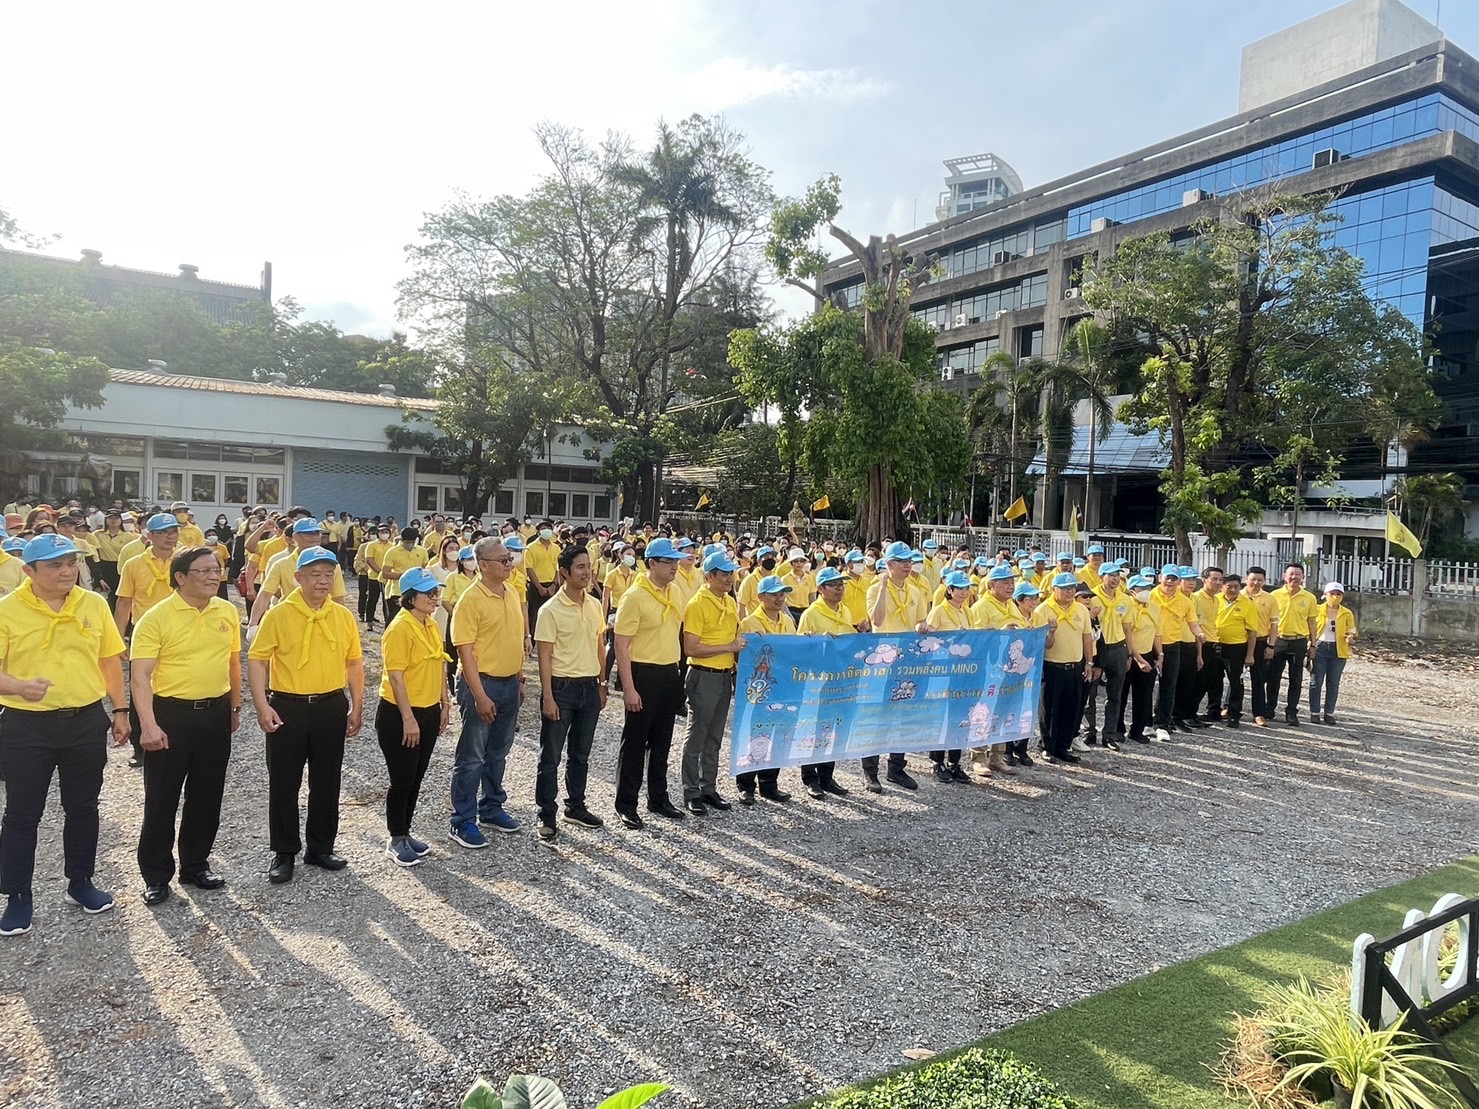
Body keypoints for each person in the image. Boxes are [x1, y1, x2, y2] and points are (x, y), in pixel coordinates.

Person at [0, 535, 129, 936]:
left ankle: (81, 882)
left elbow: (109, 660)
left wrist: (120, 710)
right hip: (26, 726)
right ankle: (17, 895)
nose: (67, 571)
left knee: (83, 806)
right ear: (29, 571)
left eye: (71, 563)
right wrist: (19, 686)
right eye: (55, 565)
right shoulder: (7, 610)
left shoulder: (92, 604)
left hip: (85, 721)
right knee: (22, 814)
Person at [130, 546, 241, 906]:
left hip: (215, 713)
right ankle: (156, 874)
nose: (213, 576)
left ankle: (195, 864)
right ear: (180, 577)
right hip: (171, 714)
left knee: (207, 794)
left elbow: (233, 662)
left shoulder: (226, 611)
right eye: (203, 571)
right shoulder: (156, 618)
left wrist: (234, 707)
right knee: (162, 798)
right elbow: (140, 677)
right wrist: (147, 724)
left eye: (216, 570)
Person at [247, 547, 364, 884]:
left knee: (327, 780)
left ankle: (321, 847)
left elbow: (354, 663)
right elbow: (257, 660)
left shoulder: (342, 616)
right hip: (288, 706)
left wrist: (357, 704)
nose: (323, 581)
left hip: (330, 705)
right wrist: (262, 705)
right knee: (284, 782)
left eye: (328, 574)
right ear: (298, 577)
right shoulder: (278, 614)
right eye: (315, 574)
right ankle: (284, 851)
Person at [447, 536, 527, 846]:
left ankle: (492, 808)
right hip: (481, 683)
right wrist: (480, 696)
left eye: (510, 558)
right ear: (482, 565)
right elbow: (465, 652)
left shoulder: (511, 592)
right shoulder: (470, 600)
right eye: (503, 560)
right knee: (472, 756)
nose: (510, 564)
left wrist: (519, 678)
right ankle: (462, 820)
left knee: (498, 753)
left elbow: (513, 638)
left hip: (508, 682)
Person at [532, 545, 607, 842]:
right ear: (564, 572)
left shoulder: (594, 605)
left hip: (589, 686)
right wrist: (548, 696)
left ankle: (575, 806)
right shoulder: (549, 610)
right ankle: (546, 814)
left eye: (588, 566)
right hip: (562, 688)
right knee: (550, 756)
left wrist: (602, 684)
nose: (586, 572)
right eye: (580, 567)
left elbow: (600, 646)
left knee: (580, 754)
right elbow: (544, 656)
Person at [376, 567, 450, 867]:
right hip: (400, 713)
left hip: (428, 709)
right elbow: (396, 678)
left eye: (436, 592)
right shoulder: (400, 628)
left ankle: (405, 831)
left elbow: (440, 664)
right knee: (402, 778)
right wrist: (408, 719)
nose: (435, 597)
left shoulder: (430, 624)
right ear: (409, 597)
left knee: (417, 776)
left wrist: (445, 703)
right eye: (428, 593)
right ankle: (395, 838)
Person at [612, 536, 687, 829]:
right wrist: (629, 688)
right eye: (668, 562)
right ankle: (626, 803)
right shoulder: (635, 596)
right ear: (652, 563)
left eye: (676, 561)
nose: (674, 567)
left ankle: (658, 797)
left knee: (662, 740)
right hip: (643, 672)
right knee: (635, 741)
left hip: (669, 671)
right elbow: (621, 645)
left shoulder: (674, 591)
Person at [679, 549, 746, 815]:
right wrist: (728, 647)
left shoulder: (729, 601)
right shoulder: (697, 604)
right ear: (709, 576)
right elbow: (691, 648)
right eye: (724, 574)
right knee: (697, 735)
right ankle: (691, 791)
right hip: (703, 674)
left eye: (731, 573)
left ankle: (708, 787)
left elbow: (736, 638)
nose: (730, 578)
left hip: (723, 676)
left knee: (714, 737)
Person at [863, 541, 925, 792]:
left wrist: (923, 627)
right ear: (889, 564)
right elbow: (877, 620)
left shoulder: (915, 591)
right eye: (901, 561)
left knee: (902, 715)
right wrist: (882, 586)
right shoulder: (874, 589)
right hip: (882, 662)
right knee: (876, 715)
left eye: (909, 561)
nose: (907, 565)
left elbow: (919, 621)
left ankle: (896, 768)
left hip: (906, 660)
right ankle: (870, 771)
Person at [742, 574, 808, 802]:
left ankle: (769, 784)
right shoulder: (750, 622)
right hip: (759, 688)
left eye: (782, 594)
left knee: (779, 732)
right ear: (760, 597)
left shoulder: (788, 621)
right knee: (755, 732)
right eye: (774, 594)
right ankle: (746, 784)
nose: (779, 598)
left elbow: (793, 651)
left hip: (783, 686)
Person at [1032, 572, 1096, 764]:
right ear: (1054, 589)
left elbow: (1087, 636)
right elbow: (1039, 641)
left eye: (1072, 588)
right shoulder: (1043, 610)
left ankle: (1063, 746)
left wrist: (1089, 662)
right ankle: (1047, 747)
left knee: (1071, 708)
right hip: (1052, 666)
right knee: (1050, 709)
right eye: (1065, 588)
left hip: (1075, 665)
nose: (1069, 591)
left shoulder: (1081, 609)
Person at [1268, 562, 1320, 726]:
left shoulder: (1309, 598)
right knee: (1273, 677)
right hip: (1279, 640)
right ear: (1284, 576)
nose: (1294, 577)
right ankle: (1269, 709)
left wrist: (1313, 645)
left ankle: (1291, 713)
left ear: (1303, 577)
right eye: (1291, 574)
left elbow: (1312, 623)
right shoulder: (1274, 595)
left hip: (1299, 641)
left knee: (1296, 680)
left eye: (1298, 574)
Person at [1084, 563, 1129, 750]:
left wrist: (1129, 653)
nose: (1115, 579)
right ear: (1102, 576)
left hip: (1118, 647)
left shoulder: (1125, 598)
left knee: (1115, 694)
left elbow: (1127, 627)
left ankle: (1109, 734)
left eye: (1117, 575)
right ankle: (1089, 731)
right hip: (1097, 649)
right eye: (1110, 575)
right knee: (1090, 694)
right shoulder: (1091, 597)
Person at [1211, 575, 1258, 728]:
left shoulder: (1247, 604)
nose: (1232, 589)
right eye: (1229, 586)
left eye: (1236, 587)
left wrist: (1250, 654)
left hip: (1236, 648)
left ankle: (1234, 713)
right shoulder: (1215, 600)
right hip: (1215, 644)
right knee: (1213, 680)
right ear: (1222, 586)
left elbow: (1252, 632)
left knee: (1236, 681)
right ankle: (1213, 710)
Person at [1309, 583, 1357, 724]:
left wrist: (1350, 636)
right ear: (1325, 595)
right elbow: (1309, 626)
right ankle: (1314, 712)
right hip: (1320, 646)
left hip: (1338, 648)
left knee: (1333, 683)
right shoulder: (1317, 609)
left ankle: (1329, 713)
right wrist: (1311, 644)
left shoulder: (1346, 612)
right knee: (1316, 681)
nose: (1335, 596)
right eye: (1332, 593)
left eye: (1338, 594)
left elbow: (1351, 628)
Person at [1243, 566, 1279, 727]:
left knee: (1258, 679)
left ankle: (1259, 713)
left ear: (1264, 581)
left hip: (1260, 642)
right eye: (1253, 579)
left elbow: (1274, 625)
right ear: (1246, 579)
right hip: (1239, 641)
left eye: (1260, 580)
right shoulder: (1238, 595)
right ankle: (1230, 708)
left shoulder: (1270, 599)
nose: (1256, 583)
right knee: (1236, 677)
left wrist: (1271, 646)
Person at [525, 520, 562, 629]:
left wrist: (554, 584)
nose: (546, 531)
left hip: (552, 585)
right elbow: (529, 569)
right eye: (543, 529)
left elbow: (558, 568)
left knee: (552, 614)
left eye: (549, 529)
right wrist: (539, 587)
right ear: (538, 532)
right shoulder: (530, 548)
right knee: (534, 615)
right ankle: (532, 638)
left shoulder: (556, 548)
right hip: (536, 586)